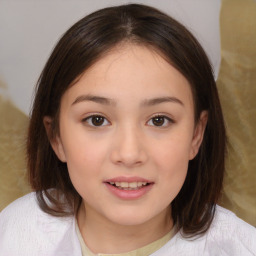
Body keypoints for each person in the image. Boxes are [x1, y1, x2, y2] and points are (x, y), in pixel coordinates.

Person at [0, 4, 255, 256]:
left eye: (159, 120)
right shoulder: (13, 233)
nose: (129, 154)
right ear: (56, 137)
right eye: (97, 120)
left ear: (196, 135)